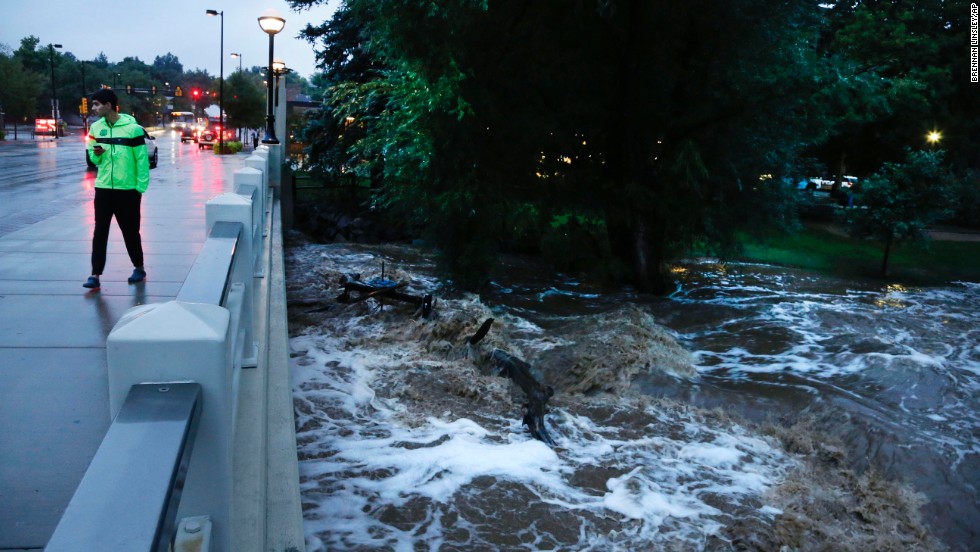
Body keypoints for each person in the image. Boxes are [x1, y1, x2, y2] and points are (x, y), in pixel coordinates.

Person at [82, 89, 150, 289]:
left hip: (128, 190)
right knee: (100, 232)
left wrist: (139, 188)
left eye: (96, 104)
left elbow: (142, 160)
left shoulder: (133, 129)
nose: (93, 108)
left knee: (130, 231)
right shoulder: (95, 128)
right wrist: (97, 153)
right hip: (103, 189)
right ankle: (95, 275)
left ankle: (139, 267)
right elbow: (93, 159)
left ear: (108, 105)